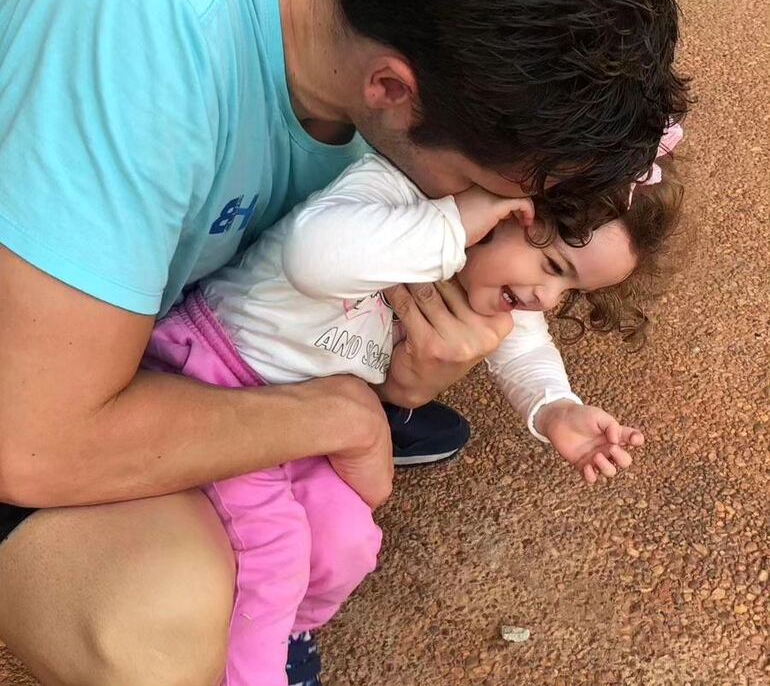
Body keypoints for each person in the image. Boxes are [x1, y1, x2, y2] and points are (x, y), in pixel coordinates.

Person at [0, 0, 688, 684]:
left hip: (191, 346)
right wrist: (341, 416)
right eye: (501, 196)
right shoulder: (137, 25)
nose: (495, 220)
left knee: (317, 537)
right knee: (160, 619)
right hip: (39, 379)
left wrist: (401, 389)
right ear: (392, 90)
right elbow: (30, 442)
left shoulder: (393, 15)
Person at [141, 144, 683, 685]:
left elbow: (525, 350)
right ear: (512, 207)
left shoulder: (492, 281)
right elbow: (313, 257)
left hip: (307, 423)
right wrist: (452, 225)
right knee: (274, 553)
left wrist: (556, 407)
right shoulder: (396, 194)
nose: (548, 298)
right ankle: (249, 671)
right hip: (219, 384)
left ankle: (287, 633)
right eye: (553, 267)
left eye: (571, 289)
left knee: (349, 542)